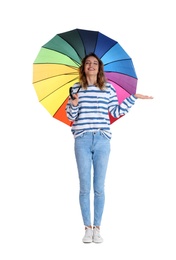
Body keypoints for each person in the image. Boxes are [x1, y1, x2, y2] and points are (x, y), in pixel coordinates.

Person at [66, 53, 153, 243]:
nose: (91, 65)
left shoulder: (108, 89)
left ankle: (97, 228)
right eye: (88, 63)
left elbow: (115, 112)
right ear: (83, 67)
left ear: (99, 67)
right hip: (82, 139)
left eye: (94, 63)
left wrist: (132, 98)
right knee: (84, 187)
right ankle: (87, 228)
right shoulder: (75, 88)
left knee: (99, 187)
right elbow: (70, 116)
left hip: (103, 139)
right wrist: (74, 103)